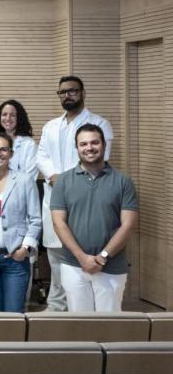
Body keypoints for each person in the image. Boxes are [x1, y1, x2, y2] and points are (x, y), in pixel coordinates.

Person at [37, 75, 113, 312]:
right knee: (56, 256)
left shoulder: (99, 124)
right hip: (54, 194)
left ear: (82, 93)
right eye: (62, 92)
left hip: (85, 197)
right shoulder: (51, 126)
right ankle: (56, 307)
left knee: (81, 253)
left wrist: (68, 181)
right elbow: (41, 155)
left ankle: (80, 312)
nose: (67, 95)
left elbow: (100, 158)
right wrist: (53, 176)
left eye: (72, 91)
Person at [50, 124, 137, 313]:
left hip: (111, 266)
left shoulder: (123, 182)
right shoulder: (63, 181)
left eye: (94, 142)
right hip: (74, 265)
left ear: (104, 145)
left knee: (111, 325)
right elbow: (58, 223)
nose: (89, 148)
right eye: (83, 144)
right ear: (77, 148)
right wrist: (82, 258)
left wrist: (103, 257)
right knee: (80, 326)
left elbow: (128, 225)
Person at [0, 134, 41, 313]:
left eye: (3, 149)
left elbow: (35, 220)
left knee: (13, 314)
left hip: (15, 259)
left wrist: (25, 248)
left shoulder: (25, 181)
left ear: (11, 153)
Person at [0, 99, 37, 176]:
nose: (8, 118)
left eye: (12, 115)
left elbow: (30, 177)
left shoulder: (29, 144)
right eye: (4, 114)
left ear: (19, 118)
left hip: (22, 187)